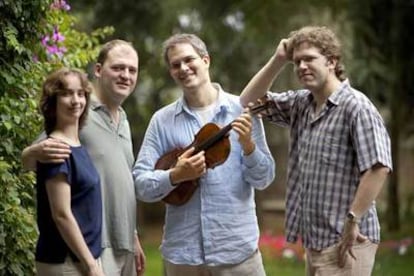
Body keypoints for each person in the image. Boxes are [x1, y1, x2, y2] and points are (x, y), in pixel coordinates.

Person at [240, 26, 392, 275]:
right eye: (297, 61)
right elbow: (248, 101)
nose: (301, 66)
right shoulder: (302, 103)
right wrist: (279, 59)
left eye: (309, 59)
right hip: (316, 243)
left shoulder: (356, 106)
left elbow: (378, 168)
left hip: (347, 241)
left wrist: (353, 220)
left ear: (331, 61)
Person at [132, 33, 275, 276]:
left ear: (206, 60)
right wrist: (174, 176)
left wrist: (249, 146)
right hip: (183, 257)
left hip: (237, 254)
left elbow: (264, 178)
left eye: (189, 60)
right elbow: (140, 184)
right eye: (175, 65)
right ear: (171, 73)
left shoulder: (242, 109)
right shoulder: (162, 121)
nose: (183, 68)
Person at [22, 40, 145, 276]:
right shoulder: (79, 112)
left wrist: (134, 236)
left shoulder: (124, 119)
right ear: (98, 70)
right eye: (118, 68)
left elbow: (120, 182)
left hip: (125, 245)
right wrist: (29, 153)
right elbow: (38, 156)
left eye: (132, 70)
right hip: (94, 246)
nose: (126, 75)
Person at [35, 68, 104, 275]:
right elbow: (61, 214)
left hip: (82, 259)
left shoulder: (76, 145)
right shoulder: (55, 149)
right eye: (66, 94)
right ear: (52, 102)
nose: (76, 100)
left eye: (80, 93)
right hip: (66, 262)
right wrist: (90, 265)